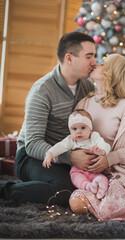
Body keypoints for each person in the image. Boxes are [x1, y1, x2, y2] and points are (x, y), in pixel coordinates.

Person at [0, 31, 97, 206]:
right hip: (32, 157)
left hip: (64, 155)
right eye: (89, 56)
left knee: (90, 188)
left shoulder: (87, 86)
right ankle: (5, 190)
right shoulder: (42, 90)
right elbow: (32, 144)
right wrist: (70, 157)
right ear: (69, 58)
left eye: (94, 56)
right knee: (65, 191)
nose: (94, 63)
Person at [69, 53, 125, 221]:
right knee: (76, 203)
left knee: (108, 209)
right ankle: (106, 204)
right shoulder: (84, 103)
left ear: (112, 74)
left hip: (119, 174)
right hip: (90, 174)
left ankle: (122, 203)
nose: (96, 64)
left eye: (103, 64)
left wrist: (112, 158)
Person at [42, 109, 111, 200]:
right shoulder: (71, 140)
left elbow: (105, 145)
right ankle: (89, 186)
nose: (78, 131)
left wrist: (102, 151)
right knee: (75, 178)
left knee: (103, 179)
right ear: (70, 130)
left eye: (83, 128)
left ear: (90, 128)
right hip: (78, 170)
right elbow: (61, 145)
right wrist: (50, 153)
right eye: (74, 129)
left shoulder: (94, 136)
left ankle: (101, 191)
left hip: (94, 170)